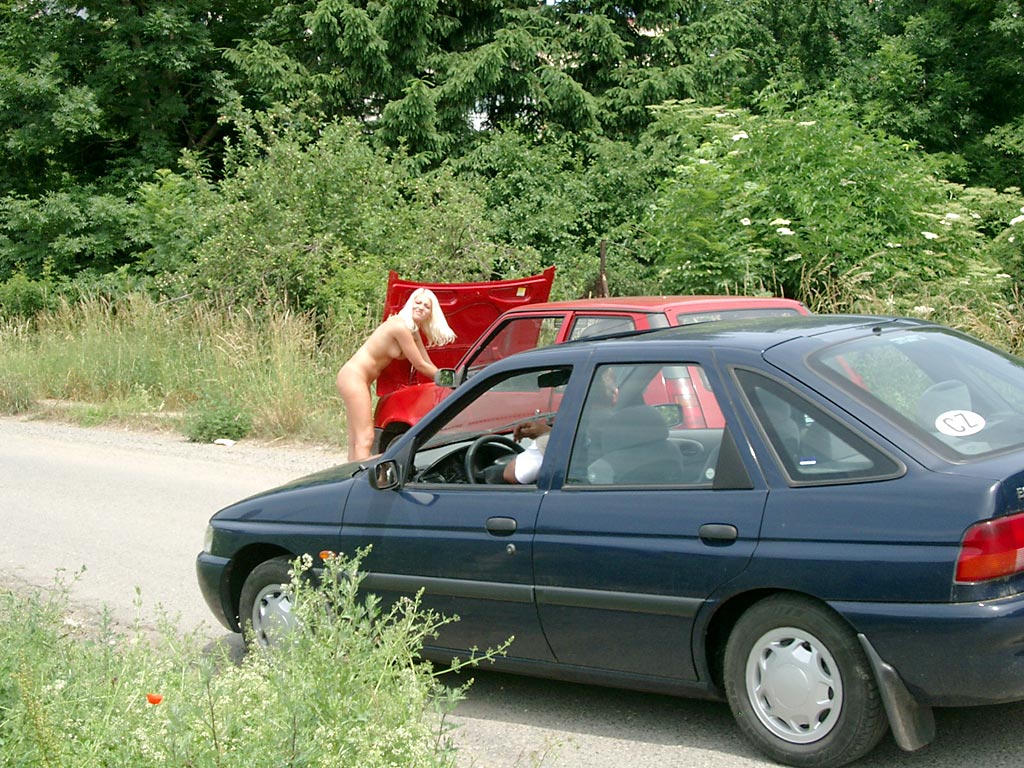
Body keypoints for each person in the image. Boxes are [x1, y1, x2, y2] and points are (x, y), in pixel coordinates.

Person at [337, 288, 455, 462]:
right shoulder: (399, 326)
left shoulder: (412, 331)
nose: (421, 307)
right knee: (365, 438)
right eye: (418, 302)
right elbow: (420, 365)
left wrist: (447, 378)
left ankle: (351, 473)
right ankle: (362, 477)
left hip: (358, 379)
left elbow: (428, 363)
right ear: (410, 303)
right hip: (353, 376)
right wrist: (452, 381)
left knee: (356, 440)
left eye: (427, 306)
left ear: (431, 313)